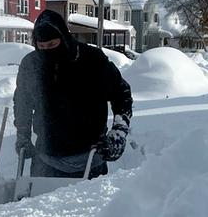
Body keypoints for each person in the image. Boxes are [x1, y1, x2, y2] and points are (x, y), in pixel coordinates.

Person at [13, 9, 133, 179]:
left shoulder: (92, 60)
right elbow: (22, 103)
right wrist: (23, 135)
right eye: (42, 47)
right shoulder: (31, 64)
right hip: (46, 158)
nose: (47, 51)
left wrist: (118, 133)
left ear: (64, 37)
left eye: (52, 45)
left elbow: (122, 94)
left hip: (90, 157)